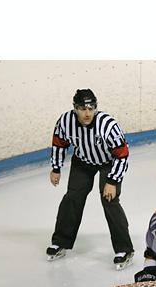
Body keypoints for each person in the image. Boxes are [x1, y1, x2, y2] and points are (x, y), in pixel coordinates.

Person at [47, 89, 135, 269]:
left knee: (109, 200)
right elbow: (59, 143)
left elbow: (122, 154)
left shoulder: (108, 125)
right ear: (75, 108)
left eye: (91, 108)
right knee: (72, 197)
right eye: (82, 109)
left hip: (108, 163)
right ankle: (61, 242)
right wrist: (56, 168)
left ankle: (125, 250)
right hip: (83, 162)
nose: (87, 113)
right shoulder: (65, 121)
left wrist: (112, 181)